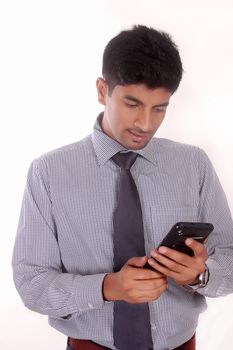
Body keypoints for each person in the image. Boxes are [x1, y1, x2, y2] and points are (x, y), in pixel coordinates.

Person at [12, 25, 233, 350]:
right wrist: (107, 287)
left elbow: (229, 256)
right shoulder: (49, 173)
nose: (146, 123)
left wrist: (199, 275)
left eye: (160, 108)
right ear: (103, 91)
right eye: (133, 104)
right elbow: (31, 282)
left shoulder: (193, 164)